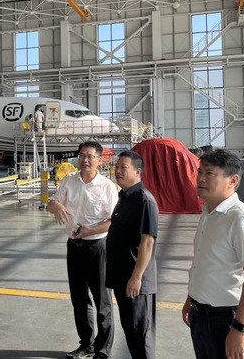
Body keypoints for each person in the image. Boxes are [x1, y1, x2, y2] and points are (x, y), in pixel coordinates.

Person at [182, 149, 244, 359]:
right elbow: (205, 263)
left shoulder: (241, 219)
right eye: (200, 172)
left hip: (231, 318)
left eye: (209, 173)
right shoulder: (208, 214)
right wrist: (191, 298)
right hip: (202, 316)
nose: (201, 179)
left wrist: (240, 329)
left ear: (233, 180)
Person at [47, 141, 118, 359]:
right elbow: (51, 203)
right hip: (74, 247)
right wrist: (55, 205)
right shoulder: (69, 181)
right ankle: (86, 344)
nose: (85, 160)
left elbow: (113, 221)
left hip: (97, 247)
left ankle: (103, 350)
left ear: (99, 160)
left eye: (89, 156)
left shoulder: (106, 186)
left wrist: (90, 231)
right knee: (79, 299)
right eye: (81, 156)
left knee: (102, 301)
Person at [106, 150, 159, 359]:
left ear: (137, 171)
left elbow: (147, 241)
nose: (117, 171)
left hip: (136, 282)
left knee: (141, 336)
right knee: (131, 331)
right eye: (117, 167)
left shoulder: (144, 200)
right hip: (123, 278)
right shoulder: (124, 197)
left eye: (123, 168)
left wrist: (137, 277)